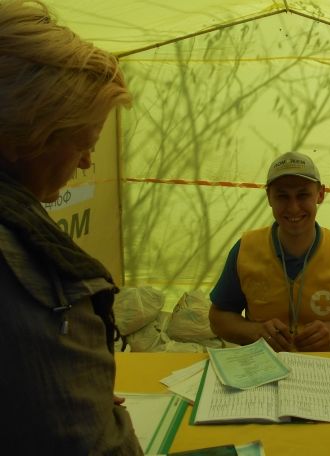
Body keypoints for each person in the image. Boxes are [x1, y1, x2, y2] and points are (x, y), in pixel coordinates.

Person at [0, 1, 142, 454]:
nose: (85, 162)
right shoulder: (28, 271)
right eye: (83, 142)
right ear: (22, 135)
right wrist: (84, 406)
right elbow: (92, 444)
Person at [209, 151, 330, 352]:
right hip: (262, 365)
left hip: (322, 366)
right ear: (269, 197)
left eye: (303, 195)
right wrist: (255, 332)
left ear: (320, 194)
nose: (293, 208)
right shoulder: (246, 249)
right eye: (282, 196)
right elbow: (218, 317)